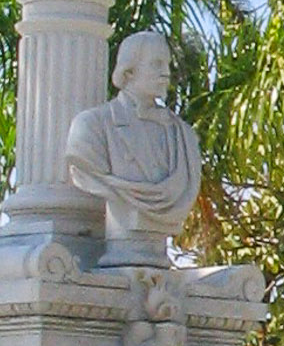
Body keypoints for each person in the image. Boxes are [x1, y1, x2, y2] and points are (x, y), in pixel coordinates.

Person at [66, 31, 201, 266]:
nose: (166, 73)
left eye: (167, 64)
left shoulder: (184, 136)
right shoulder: (92, 126)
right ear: (128, 70)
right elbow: (87, 170)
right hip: (119, 250)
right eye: (156, 64)